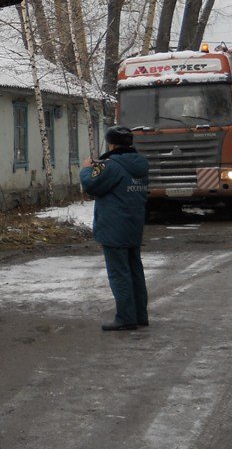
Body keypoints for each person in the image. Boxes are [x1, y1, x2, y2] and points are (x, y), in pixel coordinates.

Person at [80, 125, 150, 332]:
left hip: (114, 225)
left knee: (119, 273)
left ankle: (126, 318)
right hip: (134, 223)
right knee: (135, 270)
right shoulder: (141, 164)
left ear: (111, 143)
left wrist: (86, 168)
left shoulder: (112, 165)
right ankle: (140, 315)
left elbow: (91, 185)